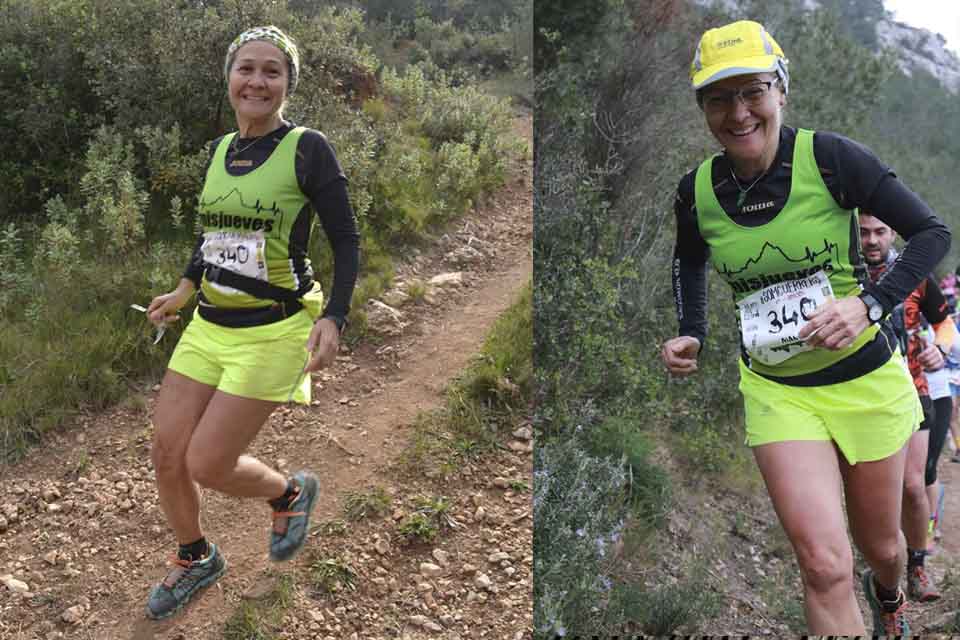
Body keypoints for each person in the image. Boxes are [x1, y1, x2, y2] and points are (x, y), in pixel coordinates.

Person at [661, 20, 950, 635]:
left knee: (884, 550)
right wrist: (693, 330)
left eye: (753, 92)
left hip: (865, 383)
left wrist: (868, 304)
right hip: (779, 391)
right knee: (822, 566)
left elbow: (932, 233)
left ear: (781, 91)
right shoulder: (696, 192)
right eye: (719, 98)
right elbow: (689, 260)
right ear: (703, 108)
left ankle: (890, 596)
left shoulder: (832, 159)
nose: (738, 113)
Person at [143, 25, 360, 619]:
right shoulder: (219, 151)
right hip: (209, 324)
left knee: (207, 463)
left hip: (275, 328)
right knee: (167, 452)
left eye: (272, 71)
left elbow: (345, 238)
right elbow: (211, 235)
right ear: (229, 78)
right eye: (246, 68)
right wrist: (184, 288)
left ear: (288, 83)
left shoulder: (307, 148)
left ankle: (288, 493)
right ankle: (196, 557)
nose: (257, 81)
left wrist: (335, 317)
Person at [861, 211, 956, 601]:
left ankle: (917, 566)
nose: (871, 240)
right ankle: (880, 568)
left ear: (892, 234)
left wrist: (941, 350)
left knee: (913, 485)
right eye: (863, 232)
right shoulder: (842, 274)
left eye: (879, 232)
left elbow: (945, 323)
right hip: (859, 396)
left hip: (913, 388)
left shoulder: (913, 273)